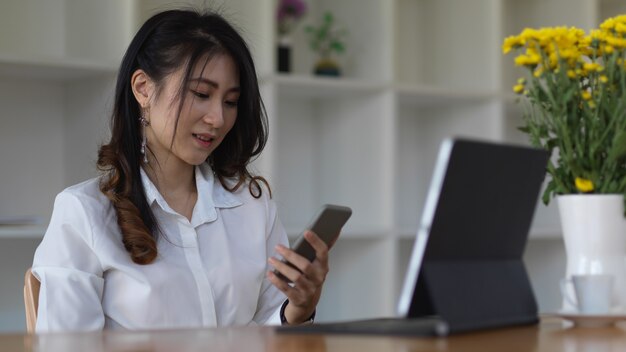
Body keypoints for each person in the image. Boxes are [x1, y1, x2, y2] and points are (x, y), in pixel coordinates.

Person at [31, 9, 332, 332]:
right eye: (201, 94)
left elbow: (270, 330)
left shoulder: (253, 209)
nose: (217, 118)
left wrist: (298, 310)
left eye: (230, 102)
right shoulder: (84, 213)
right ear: (143, 88)